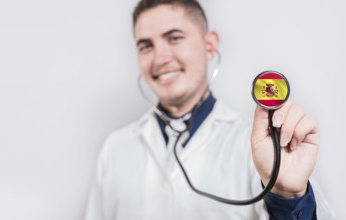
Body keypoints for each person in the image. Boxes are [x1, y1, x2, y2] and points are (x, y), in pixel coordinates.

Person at [85, 0, 336, 219]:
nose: (160, 58)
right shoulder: (115, 148)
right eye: (145, 46)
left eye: (174, 38)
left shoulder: (269, 145)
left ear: (209, 45)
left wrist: (287, 196)